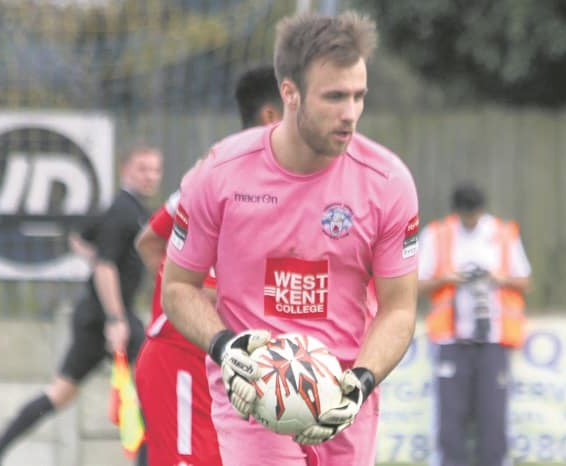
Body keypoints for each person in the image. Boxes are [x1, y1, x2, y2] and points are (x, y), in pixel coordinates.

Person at [161, 11, 419, 466]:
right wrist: (227, 348)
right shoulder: (218, 175)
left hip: (344, 400)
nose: (350, 114)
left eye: (359, 96)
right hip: (252, 395)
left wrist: (360, 382)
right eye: (335, 97)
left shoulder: (388, 182)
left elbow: (399, 308)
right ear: (290, 94)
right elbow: (179, 287)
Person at [134, 64, 282, 466]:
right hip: (182, 362)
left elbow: (151, 241)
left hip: (225, 370)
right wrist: (182, 298)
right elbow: (151, 243)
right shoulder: (219, 174)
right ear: (273, 114)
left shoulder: (283, 179)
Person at [0, 147, 163, 466]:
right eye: (142, 168)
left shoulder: (125, 209)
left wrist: (92, 260)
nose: (150, 176)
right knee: (155, 390)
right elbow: (106, 266)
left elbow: (79, 237)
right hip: (108, 319)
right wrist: (115, 318)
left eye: (155, 170)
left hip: (96, 315)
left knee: (62, 393)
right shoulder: (122, 211)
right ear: (125, 169)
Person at [417, 182, 531, 466]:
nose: (470, 219)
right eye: (465, 214)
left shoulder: (503, 233)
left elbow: (524, 280)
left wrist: (497, 278)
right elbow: (416, 282)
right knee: (450, 417)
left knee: (493, 417)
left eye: (474, 214)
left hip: (493, 339)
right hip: (452, 340)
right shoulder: (437, 234)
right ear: (456, 211)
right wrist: (447, 279)